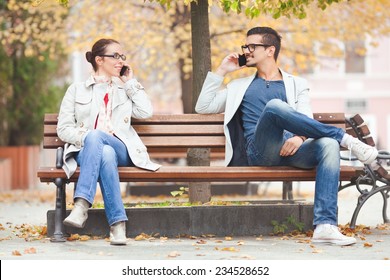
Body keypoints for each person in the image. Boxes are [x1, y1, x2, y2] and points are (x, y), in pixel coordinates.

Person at [195, 26, 378, 246]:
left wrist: (299, 138)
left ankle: (325, 226)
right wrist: (222, 71)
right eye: (246, 46)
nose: (247, 51)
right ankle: (345, 138)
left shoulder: (296, 83)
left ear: (270, 50)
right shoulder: (239, 86)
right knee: (274, 107)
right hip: (259, 152)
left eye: (252, 46)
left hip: (291, 151)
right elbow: (203, 107)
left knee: (329, 144)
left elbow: (305, 117)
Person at [57, 38, 161, 245]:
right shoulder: (76, 89)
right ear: (99, 60)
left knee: (100, 139)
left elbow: (146, 112)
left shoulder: (124, 89)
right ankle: (117, 224)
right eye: (115, 56)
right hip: (87, 150)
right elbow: (63, 129)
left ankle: (81, 205)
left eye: (122, 56)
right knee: (103, 151)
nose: (120, 61)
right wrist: (86, 137)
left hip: (121, 148)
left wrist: (130, 82)